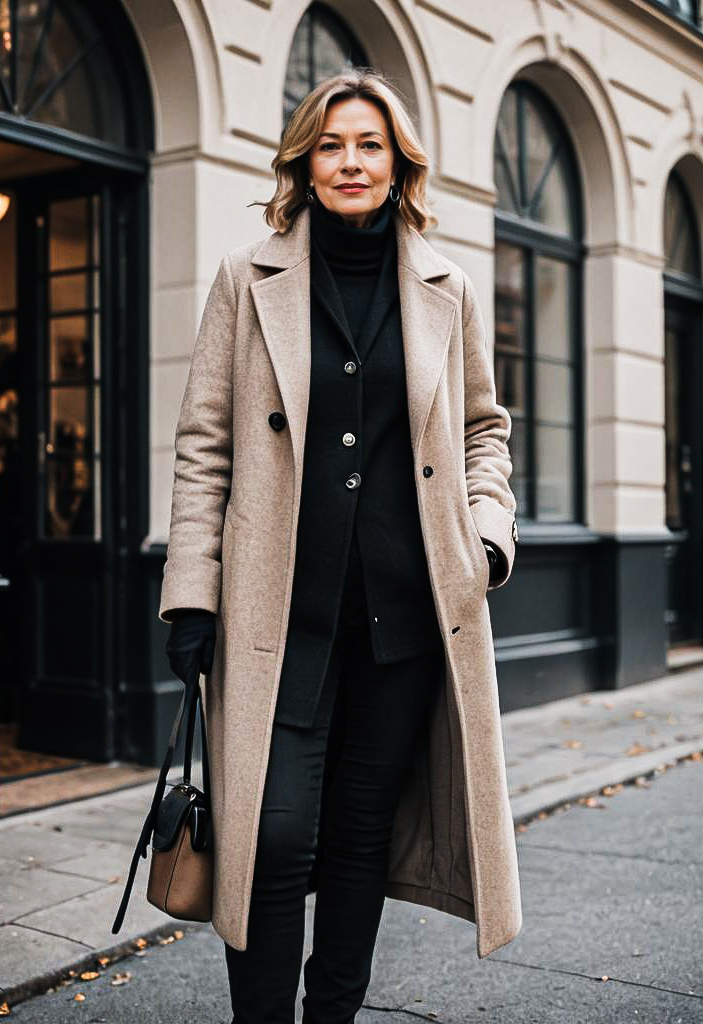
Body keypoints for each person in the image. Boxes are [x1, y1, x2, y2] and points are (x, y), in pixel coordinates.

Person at [160, 68, 522, 1024]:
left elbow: (486, 428)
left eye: (369, 145)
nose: (351, 162)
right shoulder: (248, 279)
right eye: (331, 145)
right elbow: (203, 447)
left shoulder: (449, 287)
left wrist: (485, 538)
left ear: (398, 162)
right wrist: (192, 591)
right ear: (303, 162)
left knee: (361, 838)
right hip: (279, 615)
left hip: (409, 618)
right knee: (270, 841)